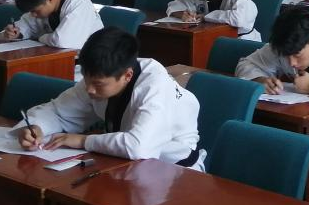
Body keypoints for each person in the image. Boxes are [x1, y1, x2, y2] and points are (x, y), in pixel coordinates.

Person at [15, 27, 204, 169]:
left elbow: (139, 147)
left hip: (175, 171)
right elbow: (58, 112)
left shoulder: (155, 88)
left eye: (98, 84)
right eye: (86, 79)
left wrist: (82, 141)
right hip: (122, 162)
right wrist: (37, 127)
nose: (90, 89)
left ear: (127, 76)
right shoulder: (102, 75)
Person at [0, 0, 102, 49]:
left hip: (91, 59)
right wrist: (13, 34)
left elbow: (60, 41)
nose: (33, 15)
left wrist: (40, 37)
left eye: (35, 11)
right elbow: (25, 25)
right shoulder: (41, 2)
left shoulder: (77, 4)